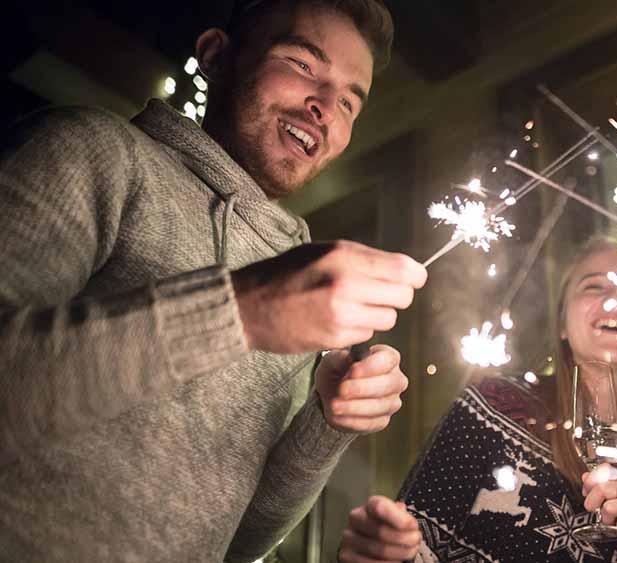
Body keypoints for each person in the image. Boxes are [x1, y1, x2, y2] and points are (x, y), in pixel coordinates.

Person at [0, 1, 427, 561]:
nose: (325, 107)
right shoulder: (92, 149)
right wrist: (241, 312)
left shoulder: (296, 272)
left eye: (349, 100)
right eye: (302, 64)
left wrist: (325, 422)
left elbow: (241, 540)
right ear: (217, 56)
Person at [338, 236, 617, 562]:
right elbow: (410, 540)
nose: (615, 300)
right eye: (593, 286)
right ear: (562, 323)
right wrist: (384, 546)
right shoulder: (494, 402)